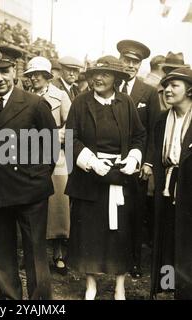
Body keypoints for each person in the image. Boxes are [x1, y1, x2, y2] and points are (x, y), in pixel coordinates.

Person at [0, 46, 58, 300]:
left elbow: (51, 148)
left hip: (30, 191)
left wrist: (36, 176)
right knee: (4, 253)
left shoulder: (35, 104)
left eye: (4, 71)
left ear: (15, 71)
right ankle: (10, 299)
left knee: (35, 254)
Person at [65, 55, 146, 300]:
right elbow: (70, 140)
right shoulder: (80, 103)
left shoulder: (126, 103)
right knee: (89, 233)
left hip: (119, 178)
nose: (98, 79)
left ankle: (120, 285)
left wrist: (133, 159)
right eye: (94, 75)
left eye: (106, 74)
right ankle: (91, 284)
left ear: (116, 79)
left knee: (119, 233)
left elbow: (139, 137)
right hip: (90, 179)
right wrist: (91, 161)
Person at [117, 39, 161, 279]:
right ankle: (113, 258)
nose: (129, 65)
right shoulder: (110, 86)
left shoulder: (149, 92)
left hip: (138, 165)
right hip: (111, 161)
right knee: (112, 210)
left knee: (135, 212)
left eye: (134, 62)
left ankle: (134, 261)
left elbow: (155, 131)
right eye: (126, 60)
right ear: (120, 60)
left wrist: (148, 163)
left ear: (140, 65)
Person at [24, 56, 71, 276]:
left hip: (56, 156)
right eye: (30, 75)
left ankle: (59, 254)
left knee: (58, 207)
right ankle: (33, 255)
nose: (33, 78)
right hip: (31, 155)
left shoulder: (60, 96)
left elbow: (70, 128)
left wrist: (57, 137)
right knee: (31, 205)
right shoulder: (24, 97)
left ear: (47, 76)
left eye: (37, 74)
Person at [151, 68, 192, 300]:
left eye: (174, 85)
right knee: (167, 241)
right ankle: (167, 288)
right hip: (167, 186)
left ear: (190, 90)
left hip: (189, 189)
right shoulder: (162, 119)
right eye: (165, 85)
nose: (167, 90)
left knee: (186, 243)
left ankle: (185, 293)